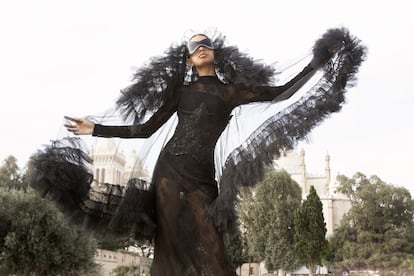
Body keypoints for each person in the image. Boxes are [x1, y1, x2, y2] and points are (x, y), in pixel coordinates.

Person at [32, 29, 366, 276]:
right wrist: (96, 129)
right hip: (169, 172)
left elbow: (281, 93)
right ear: (190, 60)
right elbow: (145, 129)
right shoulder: (182, 91)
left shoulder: (231, 92)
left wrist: (317, 62)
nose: (201, 47)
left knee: (214, 250)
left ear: (214, 53)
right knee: (171, 248)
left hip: (203, 180)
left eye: (205, 43)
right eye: (194, 47)